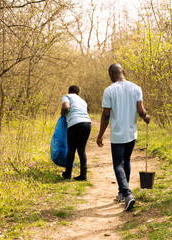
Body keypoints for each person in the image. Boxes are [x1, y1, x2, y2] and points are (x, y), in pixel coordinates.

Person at [97, 63, 150, 211]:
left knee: (117, 164)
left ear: (111, 75)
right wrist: (146, 117)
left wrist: (100, 135)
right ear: (123, 72)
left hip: (118, 134)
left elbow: (106, 115)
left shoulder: (109, 91)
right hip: (131, 133)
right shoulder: (136, 88)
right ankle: (121, 192)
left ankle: (127, 194)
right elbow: (140, 111)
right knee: (126, 161)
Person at [61, 85, 92, 181]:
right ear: (78, 93)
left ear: (69, 91)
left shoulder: (67, 96)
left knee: (71, 149)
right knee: (81, 150)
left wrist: (62, 113)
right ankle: (83, 175)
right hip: (87, 123)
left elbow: (66, 107)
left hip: (75, 124)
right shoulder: (83, 101)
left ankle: (68, 173)